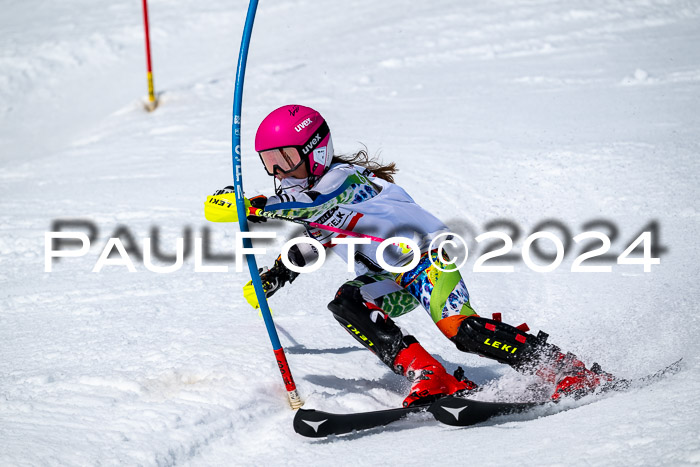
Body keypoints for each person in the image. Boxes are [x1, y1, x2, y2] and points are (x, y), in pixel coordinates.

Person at [212, 104, 618, 407]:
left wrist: (253, 206)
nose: (281, 172)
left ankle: (566, 369)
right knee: (347, 302)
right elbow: (316, 238)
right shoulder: (300, 196)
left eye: (287, 159)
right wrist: (277, 276)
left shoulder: (345, 181)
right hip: (390, 277)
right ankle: (431, 375)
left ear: (316, 151)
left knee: (463, 332)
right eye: (271, 163)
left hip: (426, 261)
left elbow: (317, 206)